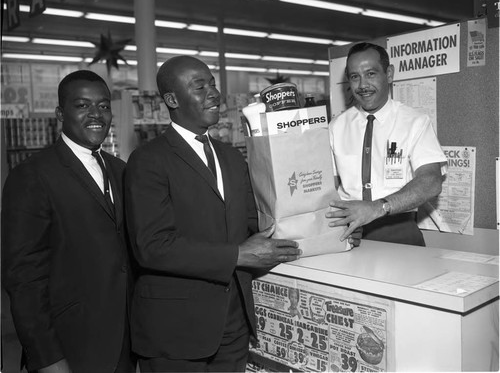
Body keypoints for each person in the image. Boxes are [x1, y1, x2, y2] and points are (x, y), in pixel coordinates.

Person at [124, 55, 302, 372]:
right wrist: (236, 255)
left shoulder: (232, 157)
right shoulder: (147, 161)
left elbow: (254, 223)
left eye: (213, 83)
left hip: (232, 324)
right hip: (175, 332)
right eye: (199, 85)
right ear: (172, 99)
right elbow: (151, 247)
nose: (214, 93)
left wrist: (319, 224)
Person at [1, 70, 135, 373]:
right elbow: (23, 279)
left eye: (103, 106)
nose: (96, 114)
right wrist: (48, 358)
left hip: (123, 345)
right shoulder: (32, 175)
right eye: (82, 105)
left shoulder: (121, 170)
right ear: (61, 113)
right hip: (71, 346)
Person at [326, 42, 447, 246]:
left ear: (389, 74)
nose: (362, 85)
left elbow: (431, 182)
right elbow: (326, 187)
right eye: (355, 76)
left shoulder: (414, 122)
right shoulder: (337, 127)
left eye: (371, 74)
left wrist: (377, 208)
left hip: (398, 231)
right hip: (347, 234)